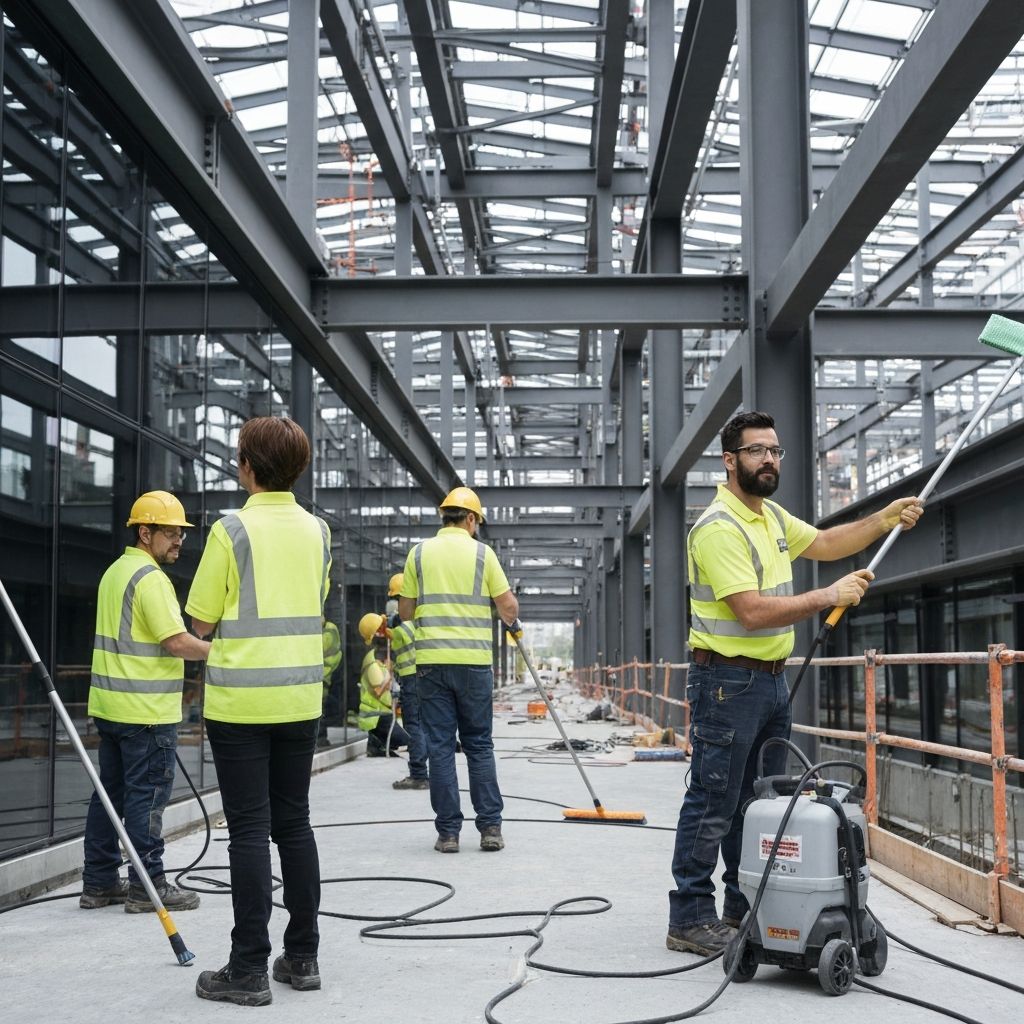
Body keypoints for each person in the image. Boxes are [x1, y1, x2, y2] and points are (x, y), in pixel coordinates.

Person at [668, 410, 923, 956]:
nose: (770, 460)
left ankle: (741, 905)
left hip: (769, 683)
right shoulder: (719, 527)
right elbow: (752, 612)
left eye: (776, 451)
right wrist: (828, 597)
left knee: (758, 803)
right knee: (714, 800)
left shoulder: (770, 518)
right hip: (726, 682)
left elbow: (828, 543)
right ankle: (688, 916)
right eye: (758, 451)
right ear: (730, 460)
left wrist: (885, 518)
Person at [187, 417, 331, 1007]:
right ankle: (302, 957)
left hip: (241, 699)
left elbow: (199, 623)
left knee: (248, 828)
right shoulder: (319, 531)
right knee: (293, 823)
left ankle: (246, 968)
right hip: (300, 696)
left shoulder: (231, 530)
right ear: (295, 469)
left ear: (247, 466)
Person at [80, 490, 209, 913]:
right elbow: (176, 642)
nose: (178, 541)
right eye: (171, 533)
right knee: (146, 798)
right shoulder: (151, 579)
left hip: (112, 709)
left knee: (110, 795)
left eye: (181, 534)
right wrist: (225, 654)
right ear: (145, 532)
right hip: (147, 714)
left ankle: (99, 883)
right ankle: (147, 885)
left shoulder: (114, 572)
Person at [398, 486, 519, 854]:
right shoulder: (483, 554)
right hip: (474, 666)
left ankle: (449, 833)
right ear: (470, 519)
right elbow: (508, 607)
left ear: (443, 516)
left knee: (440, 748)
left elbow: (405, 613)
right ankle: (490, 830)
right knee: (479, 745)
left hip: (432, 665)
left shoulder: (418, 554)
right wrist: (511, 625)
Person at [388, 573, 429, 790]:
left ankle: (419, 774)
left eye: (396, 599)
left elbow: (391, 632)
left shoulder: (404, 626)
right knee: (425, 725)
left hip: (411, 680)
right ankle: (426, 772)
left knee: (413, 726)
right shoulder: (421, 619)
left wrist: (383, 624)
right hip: (424, 676)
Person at [356, 611, 411, 756]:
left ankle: (381, 741)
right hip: (376, 716)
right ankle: (376, 741)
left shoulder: (381, 660)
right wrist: (390, 675)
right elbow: (379, 691)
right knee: (407, 741)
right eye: (380, 629)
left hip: (384, 713)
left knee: (407, 739)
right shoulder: (372, 664)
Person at [317, 618, 342, 748]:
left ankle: (321, 738)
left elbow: (320, 648)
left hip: (325, 676)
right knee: (321, 709)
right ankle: (321, 738)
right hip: (324, 676)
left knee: (321, 710)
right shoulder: (327, 629)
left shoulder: (329, 629)